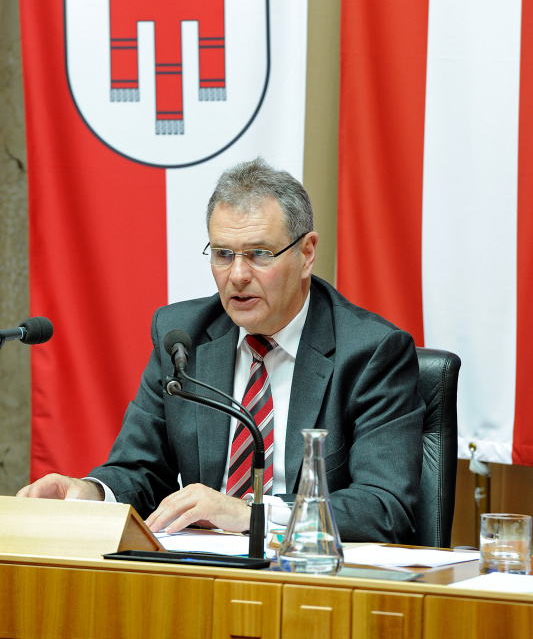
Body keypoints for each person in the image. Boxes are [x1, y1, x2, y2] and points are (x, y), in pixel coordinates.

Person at [17, 158, 424, 542]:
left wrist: (251, 513)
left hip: (310, 577)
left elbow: (383, 508)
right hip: (202, 574)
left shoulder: (371, 351)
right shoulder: (183, 338)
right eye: (223, 255)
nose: (238, 275)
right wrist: (89, 493)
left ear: (306, 253)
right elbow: (141, 471)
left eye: (259, 254)